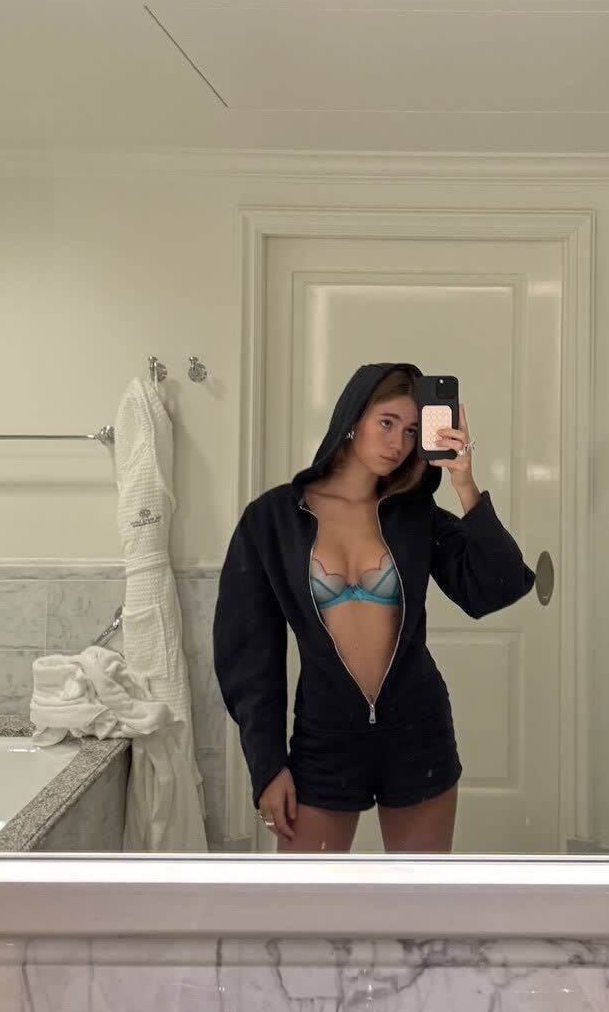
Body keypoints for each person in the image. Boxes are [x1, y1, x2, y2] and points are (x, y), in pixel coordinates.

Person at [213, 361, 535, 853]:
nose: (398, 443)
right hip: (324, 737)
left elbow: (497, 587)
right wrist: (267, 766)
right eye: (387, 423)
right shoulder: (273, 519)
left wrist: (465, 484)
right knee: (302, 897)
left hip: (418, 732)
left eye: (411, 431)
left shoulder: (415, 515)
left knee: (419, 897)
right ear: (353, 419)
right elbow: (247, 655)